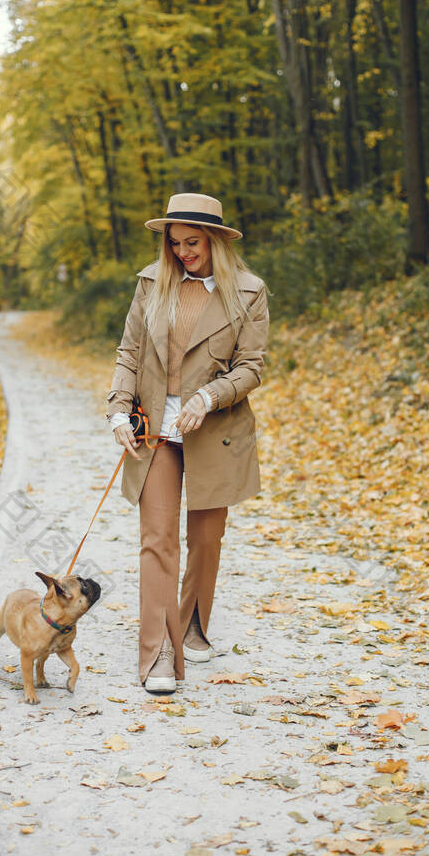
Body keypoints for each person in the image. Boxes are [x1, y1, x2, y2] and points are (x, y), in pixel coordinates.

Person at [106, 192, 269, 694]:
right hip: (155, 430)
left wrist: (210, 396)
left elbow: (252, 367)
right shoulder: (151, 284)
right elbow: (130, 351)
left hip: (216, 432)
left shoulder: (248, 292)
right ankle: (158, 655)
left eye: (192, 242)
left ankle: (193, 623)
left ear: (215, 239)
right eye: (174, 243)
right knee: (157, 539)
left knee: (205, 539)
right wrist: (117, 407)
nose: (182, 252)